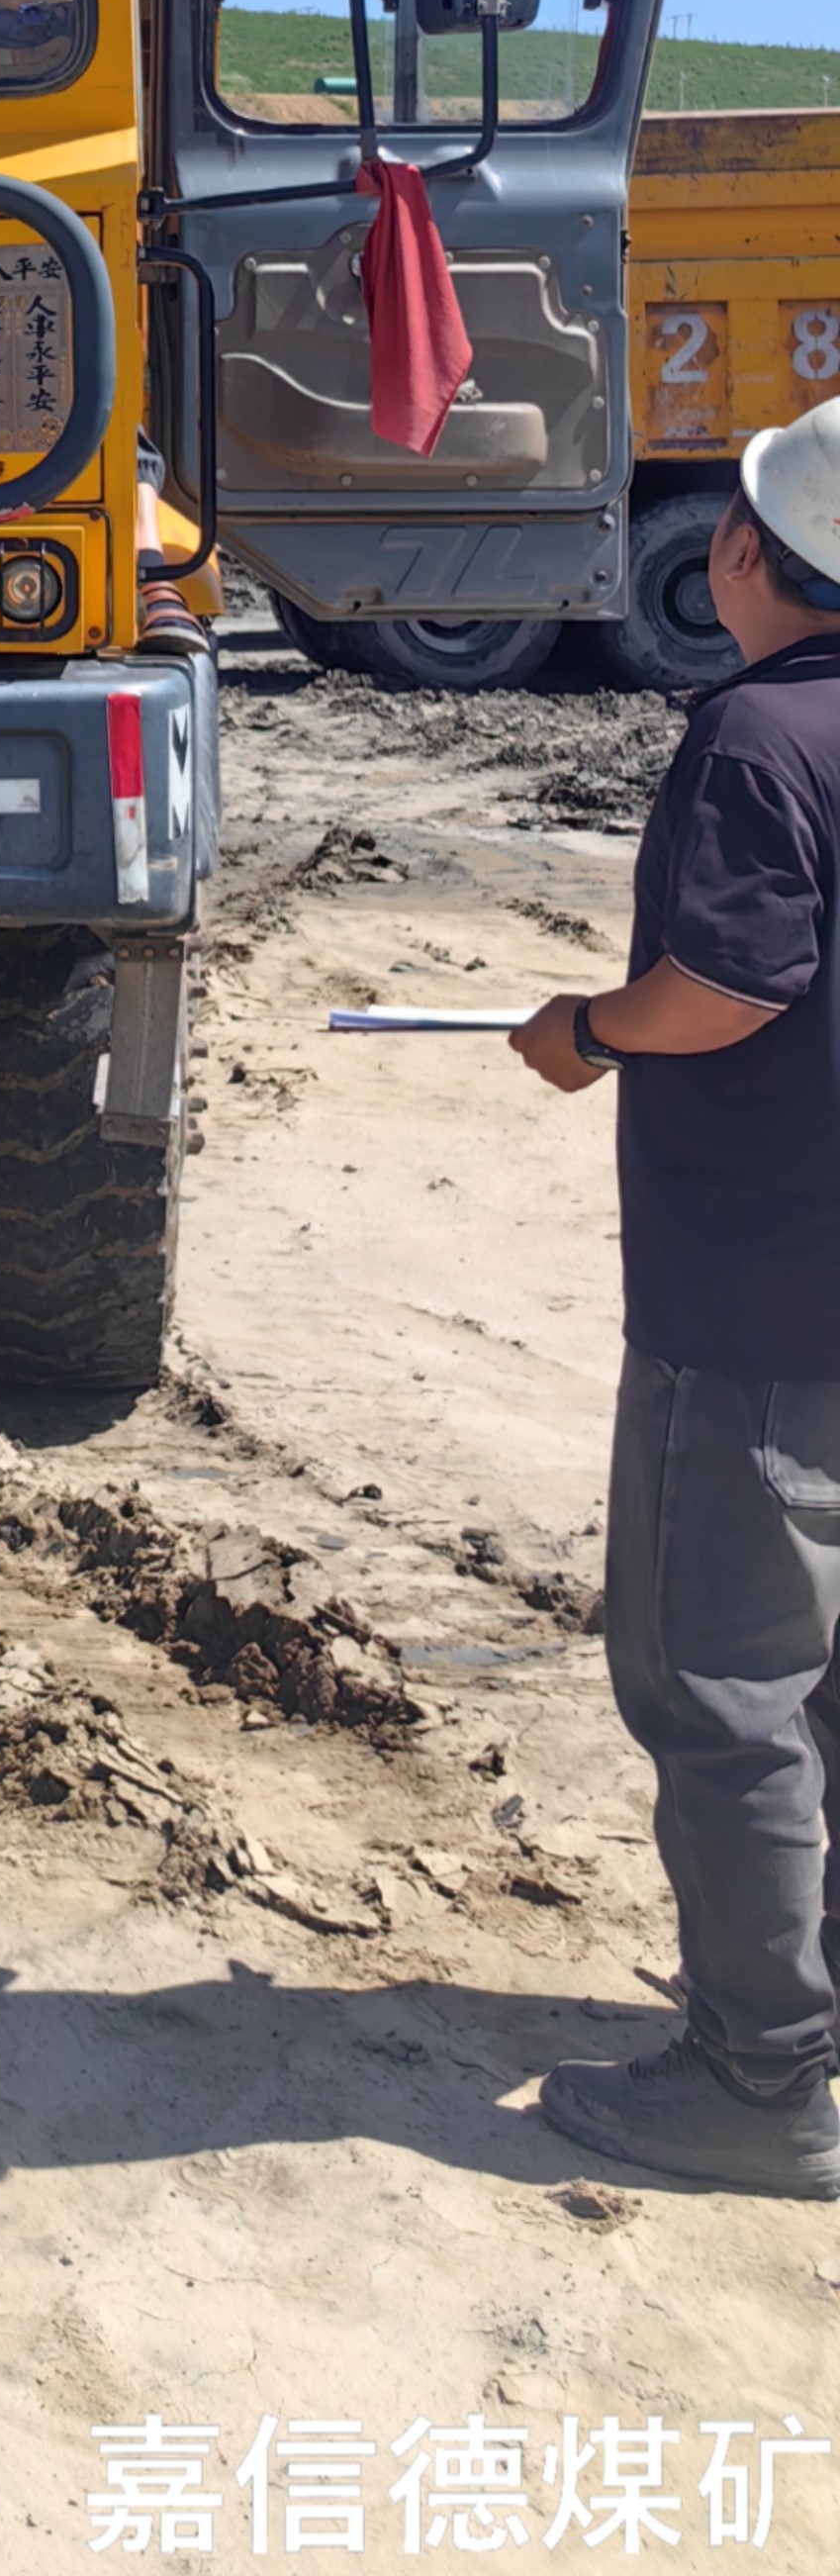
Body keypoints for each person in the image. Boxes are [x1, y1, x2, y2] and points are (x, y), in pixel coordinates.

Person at [510, 400, 840, 2199]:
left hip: (763, 1304)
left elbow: (726, 984)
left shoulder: (757, 737)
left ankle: (762, 2079)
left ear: (738, 557)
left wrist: (585, 1031)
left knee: (721, 1685)